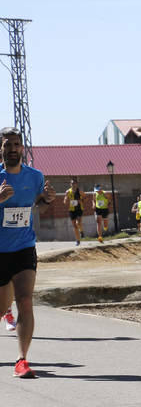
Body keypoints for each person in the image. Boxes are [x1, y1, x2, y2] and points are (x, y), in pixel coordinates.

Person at [0, 126, 56, 378]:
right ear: (0, 149)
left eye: (16, 144)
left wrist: (47, 200)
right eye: (7, 145)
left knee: (24, 300)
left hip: (24, 247)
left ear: (22, 148)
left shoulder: (35, 176)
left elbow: (39, 209)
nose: (12, 149)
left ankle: (22, 360)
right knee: (2, 308)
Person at [63, 177, 84, 245]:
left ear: (77, 184)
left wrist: (80, 201)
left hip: (79, 208)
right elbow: (65, 201)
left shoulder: (80, 191)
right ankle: (78, 240)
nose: (73, 185)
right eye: (72, 183)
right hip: (72, 210)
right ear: (70, 184)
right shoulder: (68, 192)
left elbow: (85, 198)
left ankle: (81, 231)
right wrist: (66, 200)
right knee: (74, 225)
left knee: (78, 223)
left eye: (74, 183)